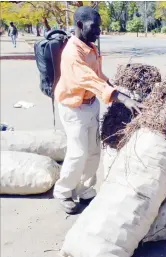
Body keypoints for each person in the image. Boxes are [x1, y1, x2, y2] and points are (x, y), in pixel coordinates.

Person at [53, 6, 144, 214]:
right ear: (79, 25)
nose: (98, 31)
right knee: (78, 153)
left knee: (94, 152)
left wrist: (116, 89)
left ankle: (85, 190)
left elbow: (98, 76)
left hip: (91, 104)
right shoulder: (72, 54)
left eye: (99, 27)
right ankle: (63, 191)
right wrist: (122, 99)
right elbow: (88, 79)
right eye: (94, 27)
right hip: (73, 108)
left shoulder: (90, 47)